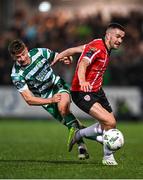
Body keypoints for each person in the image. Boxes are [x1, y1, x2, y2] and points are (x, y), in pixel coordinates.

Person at [51, 23, 125, 165]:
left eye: (122, 38)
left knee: (109, 125)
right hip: (82, 91)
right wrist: (83, 80)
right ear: (108, 35)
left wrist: (58, 57)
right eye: (117, 36)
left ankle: (79, 134)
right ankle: (108, 158)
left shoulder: (100, 46)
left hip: (97, 90)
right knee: (110, 122)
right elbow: (84, 63)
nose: (120, 40)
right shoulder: (97, 47)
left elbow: (74, 49)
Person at [8, 39, 89, 160]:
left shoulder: (39, 52)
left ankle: (93, 138)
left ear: (27, 49)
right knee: (70, 122)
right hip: (46, 98)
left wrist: (66, 58)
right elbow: (29, 99)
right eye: (18, 57)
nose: (22, 58)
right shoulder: (17, 74)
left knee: (63, 108)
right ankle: (85, 142)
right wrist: (51, 100)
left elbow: (57, 56)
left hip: (57, 84)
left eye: (23, 54)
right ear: (13, 57)